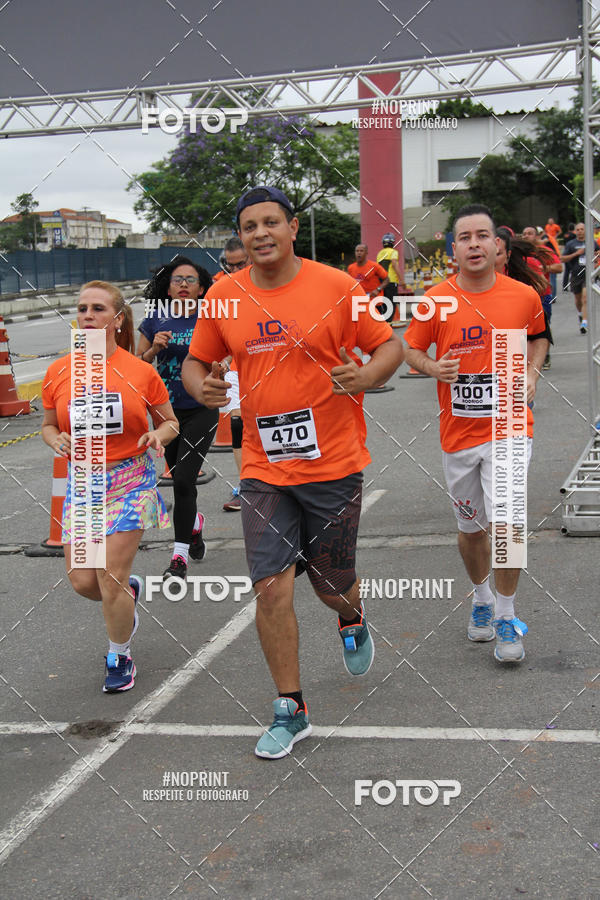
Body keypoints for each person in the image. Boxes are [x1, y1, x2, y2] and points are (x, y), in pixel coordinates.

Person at [182, 185, 404, 759]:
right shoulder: (224, 296)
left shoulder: (336, 285)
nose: (259, 234)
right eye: (249, 225)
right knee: (270, 587)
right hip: (262, 467)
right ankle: (291, 708)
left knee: (331, 586)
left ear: (292, 226)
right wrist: (199, 385)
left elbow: (389, 347)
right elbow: (196, 361)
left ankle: (351, 616)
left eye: (270, 223)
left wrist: (368, 376)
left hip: (333, 463)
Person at [404, 205, 549, 664]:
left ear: (496, 246)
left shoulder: (521, 296)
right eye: (464, 237)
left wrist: (530, 370)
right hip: (460, 435)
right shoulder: (436, 300)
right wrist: (432, 366)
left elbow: (540, 337)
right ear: (454, 248)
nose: (473, 244)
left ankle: (507, 614)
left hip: (509, 426)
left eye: (481, 235)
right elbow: (407, 347)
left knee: (508, 524)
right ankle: (482, 597)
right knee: (472, 530)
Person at [42, 281, 178, 692]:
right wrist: (55, 439)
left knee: (109, 575)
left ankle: (119, 655)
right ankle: (127, 595)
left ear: (117, 320)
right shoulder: (59, 371)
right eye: (82, 308)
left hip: (130, 481)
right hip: (83, 483)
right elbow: (48, 424)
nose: (87, 315)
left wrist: (160, 437)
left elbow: (170, 422)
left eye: (98, 309)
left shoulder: (140, 371)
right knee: (84, 581)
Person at [136, 256, 218, 580]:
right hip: (164, 413)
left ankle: (178, 558)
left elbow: (225, 356)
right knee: (181, 481)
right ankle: (194, 526)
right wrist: (154, 350)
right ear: (168, 289)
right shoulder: (154, 320)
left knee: (184, 479)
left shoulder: (209, 320)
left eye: (191, 280)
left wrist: (219, 370)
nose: (183, 284)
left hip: (201, 408)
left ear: (201, 289)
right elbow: (137, 366)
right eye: (177, 280)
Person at [217, 236, 250, 512]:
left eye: (242, 264)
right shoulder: (221, 289)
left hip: (269, 368)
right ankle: (246, 486)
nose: (236, 271)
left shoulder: (272, 282)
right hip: (235, 370)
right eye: (231, 265)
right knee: (238, 426)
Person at [496, 229, 553, 369]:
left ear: (507, 255)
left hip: (510, 351)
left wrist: (531, 376)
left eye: (498, 253)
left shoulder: (522, 287)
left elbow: (543, 283)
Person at [561, 222, 600, 334]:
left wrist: (597, 256)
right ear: (575, 231)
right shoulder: (570, 244)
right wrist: (576, 253)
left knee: (585, 298)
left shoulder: (591, 242)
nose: (580, 231)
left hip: (588, 274)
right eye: (578, 229)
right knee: (578, 300)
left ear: (585, 230)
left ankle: (585, 322)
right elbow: (563, 259)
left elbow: (597, 253)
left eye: (582, 229)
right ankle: (580, 314)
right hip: (576, 274)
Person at [347, 244, 389, 316]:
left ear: (366, 253)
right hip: (359, 302)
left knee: (377, 325)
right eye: (357, 251)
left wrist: (378, 289)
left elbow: (387, 279)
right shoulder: (351, 268)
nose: (359, 253)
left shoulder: (374, 266)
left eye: (361, 251)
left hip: (374, 301)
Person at [377, 232, 407, 320]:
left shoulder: (380, 254)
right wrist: (402, 280)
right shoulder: (393, 252)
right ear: (392, 243)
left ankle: (383, 325)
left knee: (384, 304)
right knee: (391, 305)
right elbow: (394, 265)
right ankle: (387, 327)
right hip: (391, 281)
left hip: (381, 282)